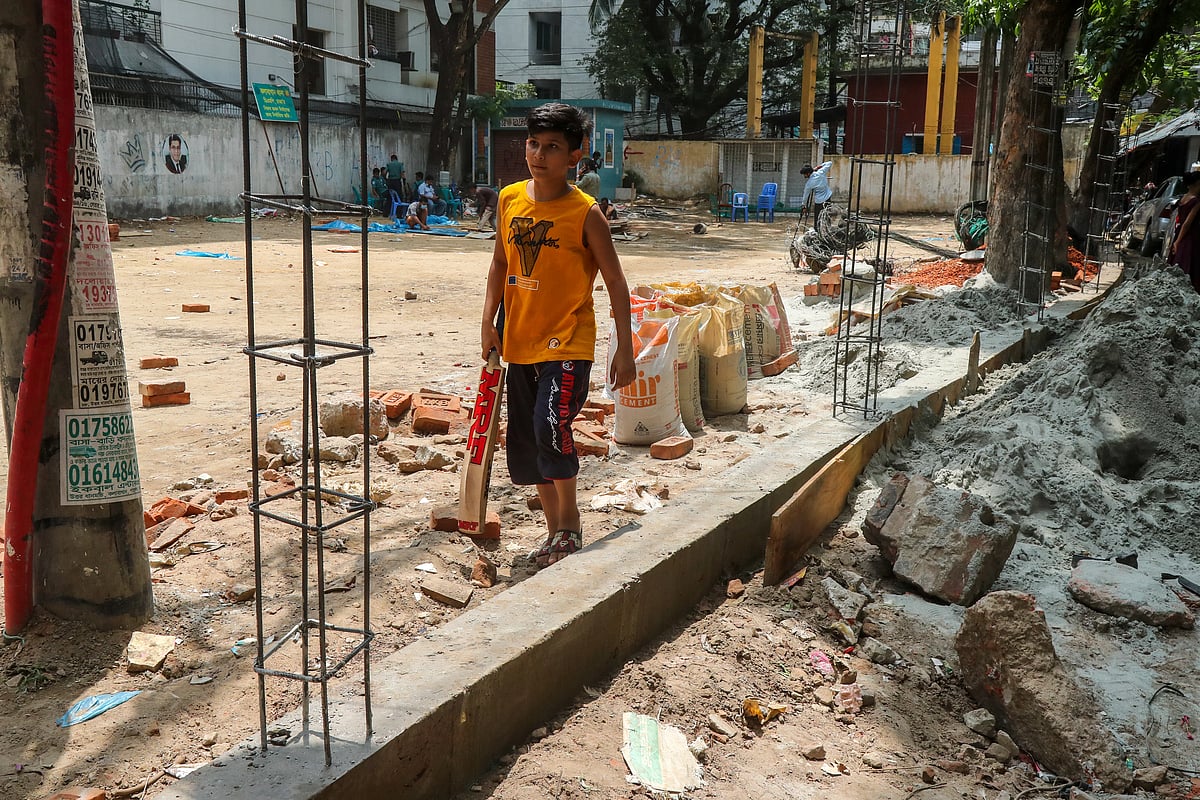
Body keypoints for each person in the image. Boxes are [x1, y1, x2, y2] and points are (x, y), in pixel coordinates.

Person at [479, 102, 635, 568]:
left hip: (568, 342)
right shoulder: (509, 199)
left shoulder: (585, 213)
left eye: (551, 147)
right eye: (533, 144)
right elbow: (499, 264)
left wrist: (626, 350)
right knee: (529, 442)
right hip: (519, 342)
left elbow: (616, 282)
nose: (538, 154)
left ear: (574, 155)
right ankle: (553, 533)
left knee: (551, 426)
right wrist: (487, 322)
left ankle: (570, 524)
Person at [1168, 171, 1200, 292]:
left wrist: (1176, 240)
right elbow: (1187, 224)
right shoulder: (1196, 201)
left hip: (1179, 234)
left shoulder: (1183, 198)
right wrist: (1178, 241)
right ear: (1196, 184)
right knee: (1189, 264)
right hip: (1191, 237)